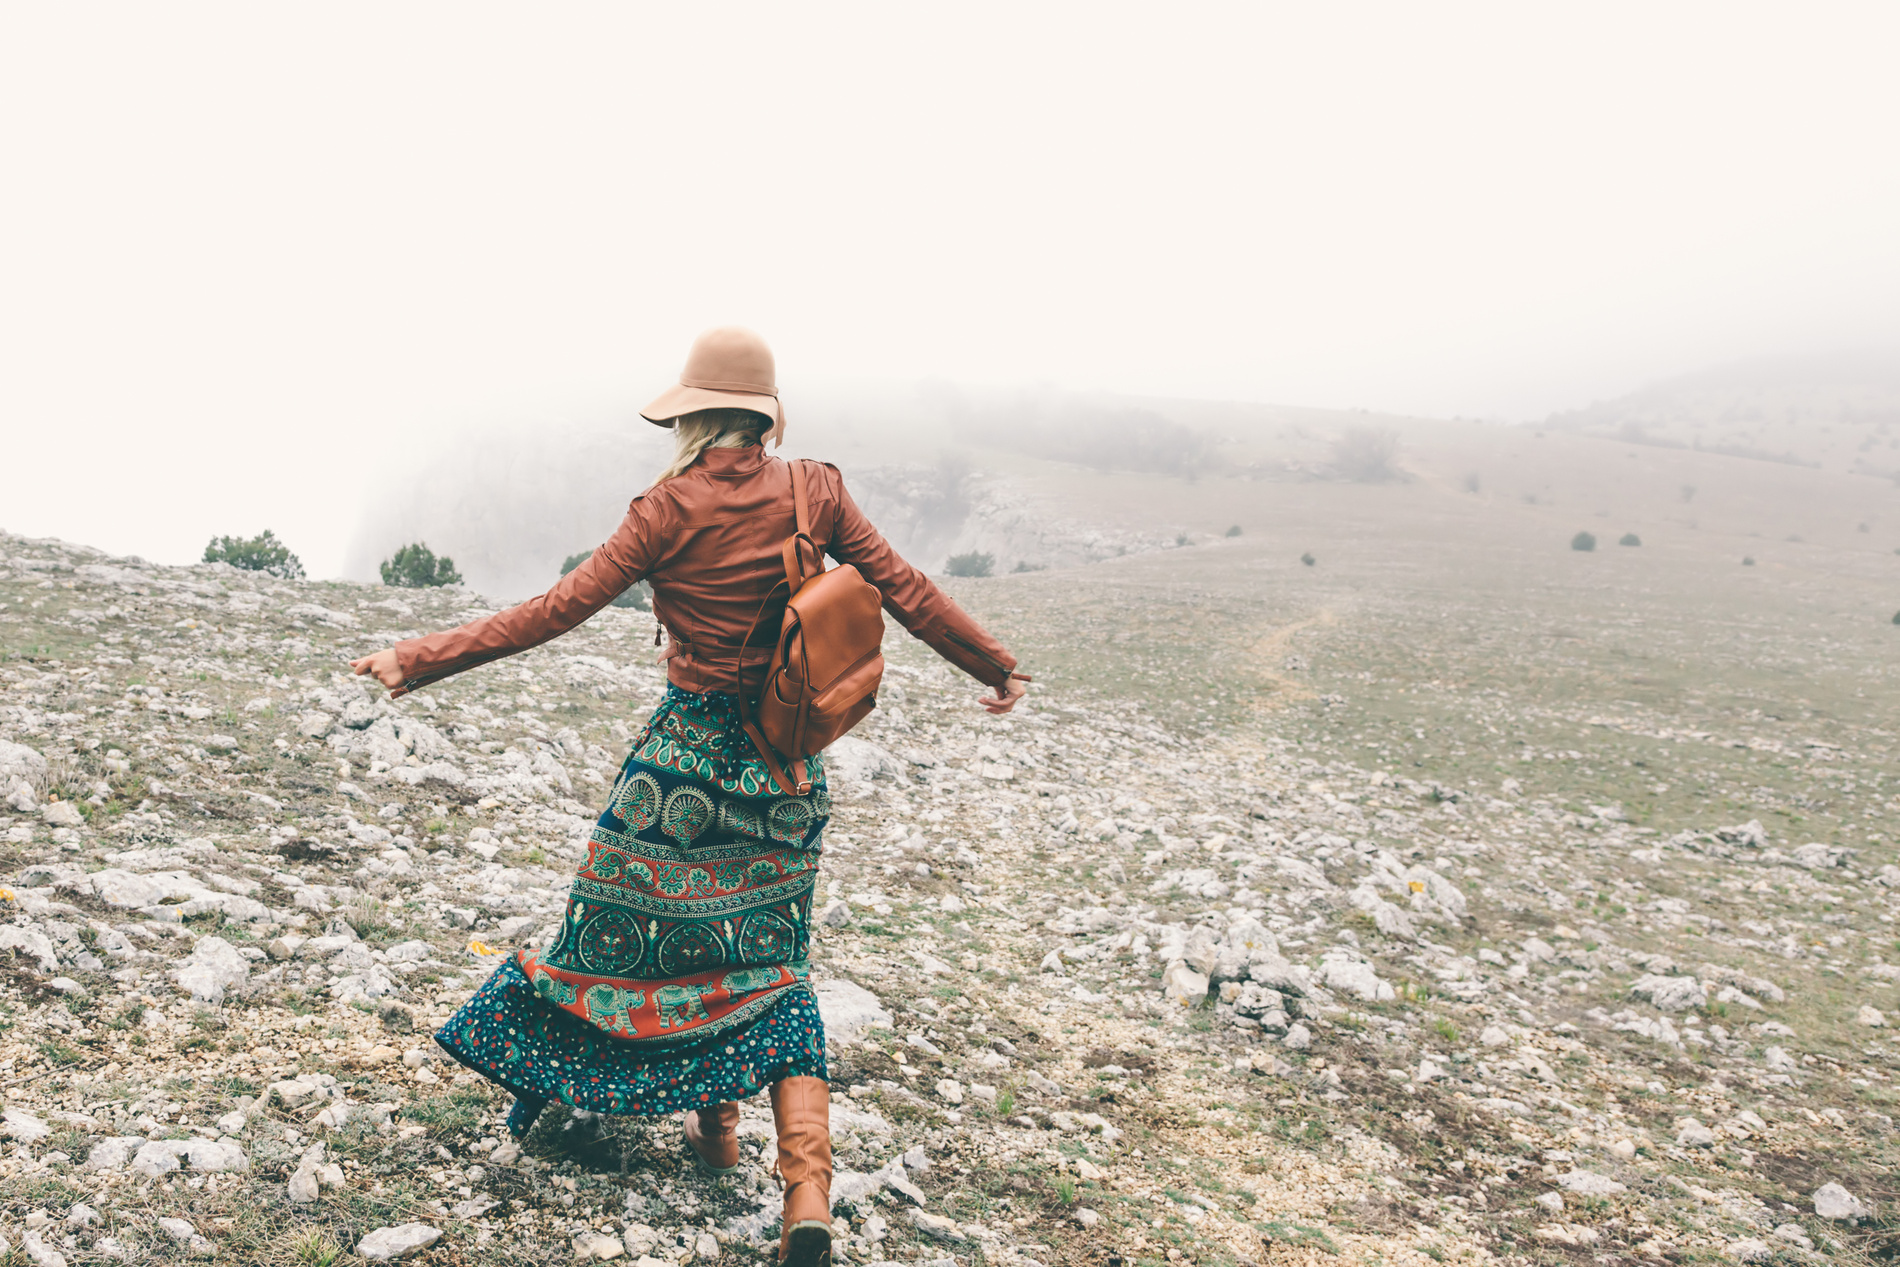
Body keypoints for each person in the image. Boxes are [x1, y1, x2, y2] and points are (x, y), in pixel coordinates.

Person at [350, 326, 1027, 1267]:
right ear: (764, 413)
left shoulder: (662, 510)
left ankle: (659, 1121)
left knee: (608, 938)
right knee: (766, 960)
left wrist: (413, 660)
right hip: (781, 767)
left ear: (694, 412)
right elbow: (903, 587)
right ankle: (802, 1194)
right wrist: (992, 661)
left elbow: (552, 611)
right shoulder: (817, 490)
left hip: (678, 769)